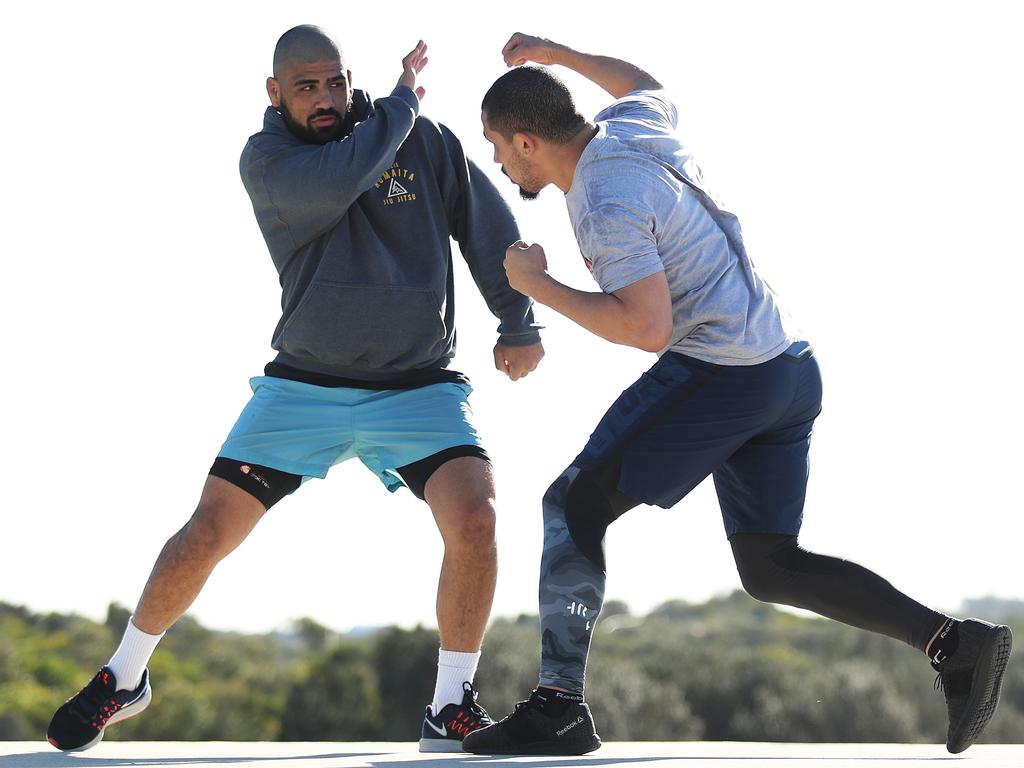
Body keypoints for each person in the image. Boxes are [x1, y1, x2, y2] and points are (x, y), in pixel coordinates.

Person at [463, 32, 1012, 756]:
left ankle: (558, 705)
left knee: (572, 505)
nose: (499, 163)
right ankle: (953, 644)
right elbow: (641, 79)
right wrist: (558, 55)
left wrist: (539, 288)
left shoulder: (602, 198)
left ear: (527, 141)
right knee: (769, 565)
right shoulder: (632, 125)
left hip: (726, 373)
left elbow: (648, 327)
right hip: (788, 366)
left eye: (497, 147)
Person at [46, 25, 544, 753]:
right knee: (206, 532)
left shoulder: (424, 142)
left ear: (349, 80)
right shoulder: (270, 159)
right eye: (306, 87)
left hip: (418, 384)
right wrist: (402, 100)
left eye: (335, 83)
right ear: (275, 93)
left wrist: (518, 321)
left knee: (477, 518)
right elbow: (345, 175)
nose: (324, 99)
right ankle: (123, 679)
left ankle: (449, 703)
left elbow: (486, 226)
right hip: (304, 386)